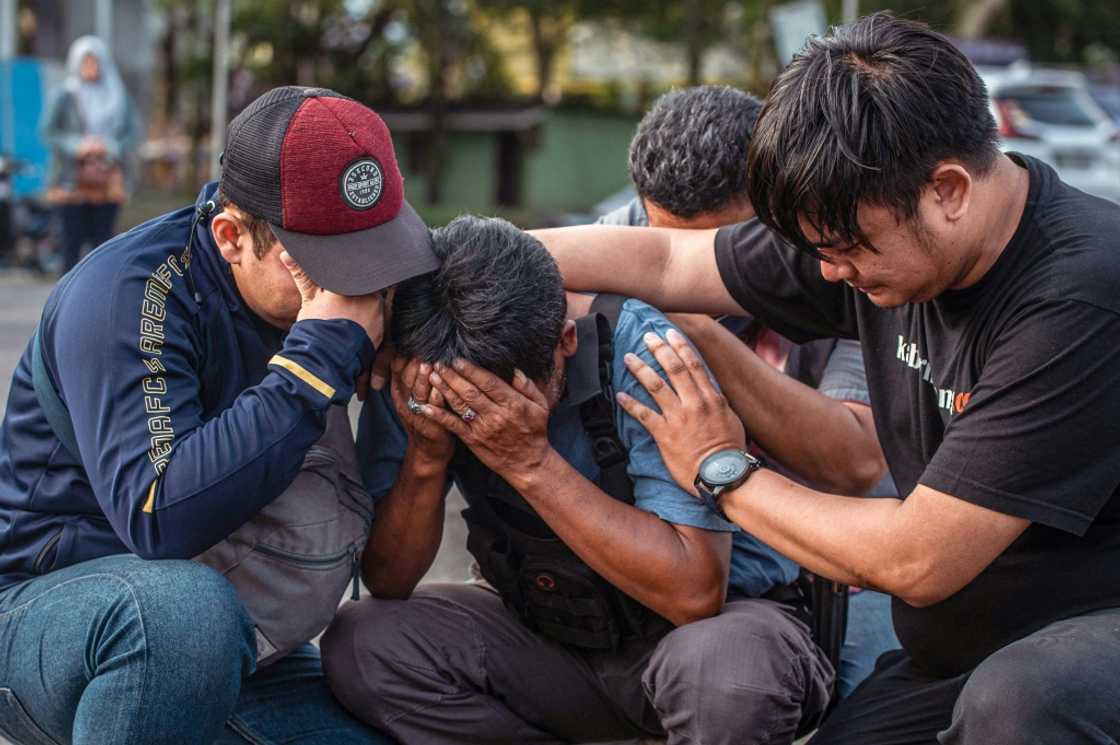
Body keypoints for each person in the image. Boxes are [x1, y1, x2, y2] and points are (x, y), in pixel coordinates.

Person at [529, 13, 1120, 744]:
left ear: (949, 190)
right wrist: (447, 254)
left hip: (1080, 651)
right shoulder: (875, 220)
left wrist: (721, 468)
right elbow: (666, 263)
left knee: (1021, 703)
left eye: (844, 249)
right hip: (963, 654)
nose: (831, 273)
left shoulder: (1080, 293)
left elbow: (917, 554)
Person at [0, 85, 436, 745]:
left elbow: (385, 572)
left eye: (377, 256)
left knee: (401, 725)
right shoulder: (127, 296)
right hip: (59, 617)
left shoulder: (373, 292)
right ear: (231, 236)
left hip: (240, 644)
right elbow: (159, 515)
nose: (361, 291)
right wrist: (314, 360)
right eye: (332, 269)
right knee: (182, 616)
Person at [321, 215, 833, 745]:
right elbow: (388, 580)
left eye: (516, 395)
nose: (491, 417)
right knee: (364, 642)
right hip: (556, 636)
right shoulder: (426, 363)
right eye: (468, 408)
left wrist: (531, 464)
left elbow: (695, 592)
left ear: (565, 340)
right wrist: (426, 458)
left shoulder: (645, 351)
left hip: (705, 634)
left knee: (726, 673)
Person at [601, 84, 899, 697]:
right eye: (669, 246)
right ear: (642, 208)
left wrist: (691, 324)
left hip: (836, 545)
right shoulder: (610, 246)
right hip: (658, 551)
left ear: (779, 210)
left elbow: (855, 463)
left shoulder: (847, 258)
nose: (688, 268)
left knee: (870, 701)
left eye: (716, 249)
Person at [42, 36, 141, 272]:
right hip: (71, 181)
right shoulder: (64, 96)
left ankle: (99, 298)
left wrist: (110, 146)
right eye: (85, 63)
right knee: (70, 243)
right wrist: (77, 145)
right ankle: (65, 301)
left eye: (95, 63)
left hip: (107, 180)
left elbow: (131, 133)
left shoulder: (117, 96)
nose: (90, 68)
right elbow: (48, 132)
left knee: (104, 244)